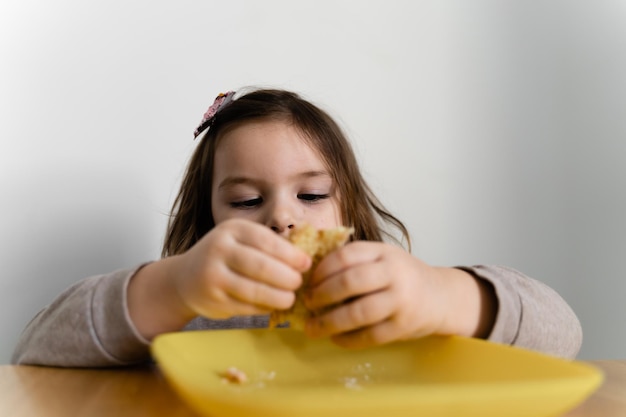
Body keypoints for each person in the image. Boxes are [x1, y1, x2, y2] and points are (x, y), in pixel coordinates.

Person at [12, 88, 582, 367]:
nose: (283, 217)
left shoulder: (399, 311)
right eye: (245, 199)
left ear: (349, 214)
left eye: (311, 194)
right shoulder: (187, 318)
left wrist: (443, 295)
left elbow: (564, 335)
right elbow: (35, 352)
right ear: (207, 219)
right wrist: (171, 287)